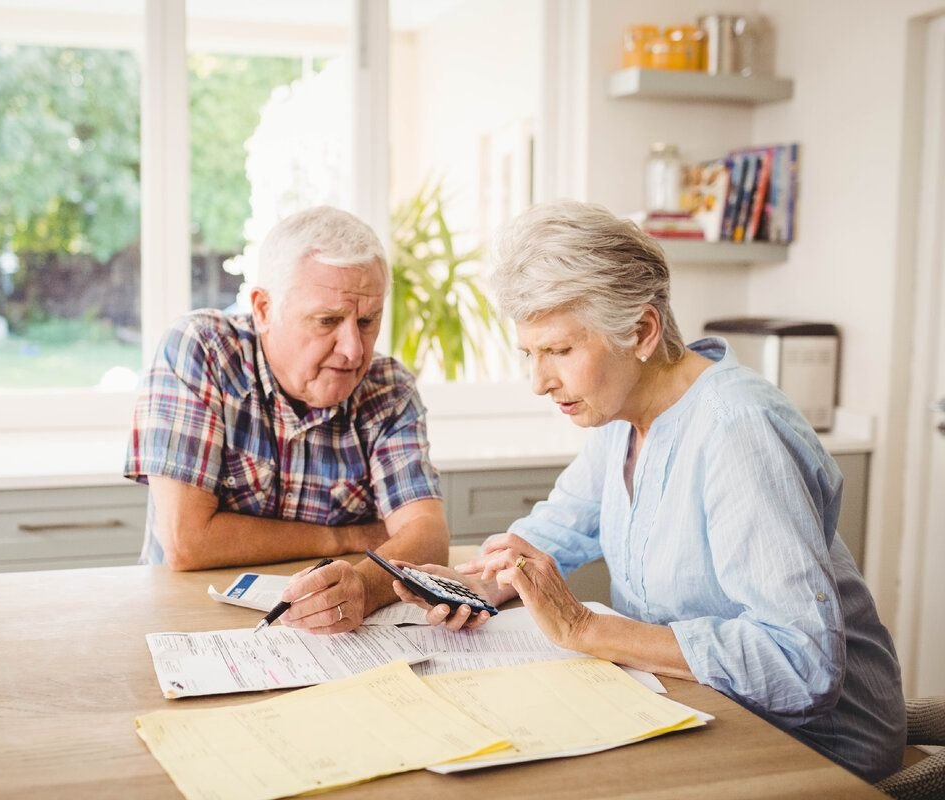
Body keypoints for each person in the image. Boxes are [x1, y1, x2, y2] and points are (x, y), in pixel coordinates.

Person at [390, 199, 906, 781]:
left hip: (814, 751)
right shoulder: (625, 416)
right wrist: (475, 581)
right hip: (692, 708)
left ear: (641, 331)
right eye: (529, 354)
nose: (539, 381)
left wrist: (585, 629)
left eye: (560, 350)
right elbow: (554, 528)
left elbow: (800, 666)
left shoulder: (738, 433)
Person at [125, 205, 449, 633]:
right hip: (191, 623)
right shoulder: (202, 350)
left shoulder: (388, 387)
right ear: (263, 309)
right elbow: (187, 541)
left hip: (335, 631)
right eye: (327, 321)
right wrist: (347, 538)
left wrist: (365, 587)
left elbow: (428, 537)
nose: (353, 348)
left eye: (368, 321)